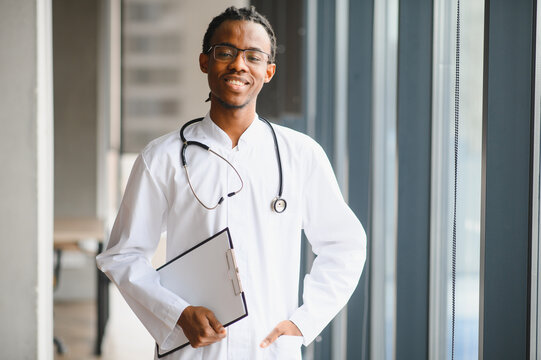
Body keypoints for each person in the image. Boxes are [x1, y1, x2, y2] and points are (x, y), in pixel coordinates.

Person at [96, 6, 366, 360]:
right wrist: (175, 313)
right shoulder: (161, 156)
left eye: (253, 57)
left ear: (268, 71)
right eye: (225, 52)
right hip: (194, 349)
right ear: (205, 62)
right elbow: (124, 254)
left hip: (269, 348)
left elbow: (344, 245)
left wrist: (304, 321)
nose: (239, 65)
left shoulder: (301, 155)